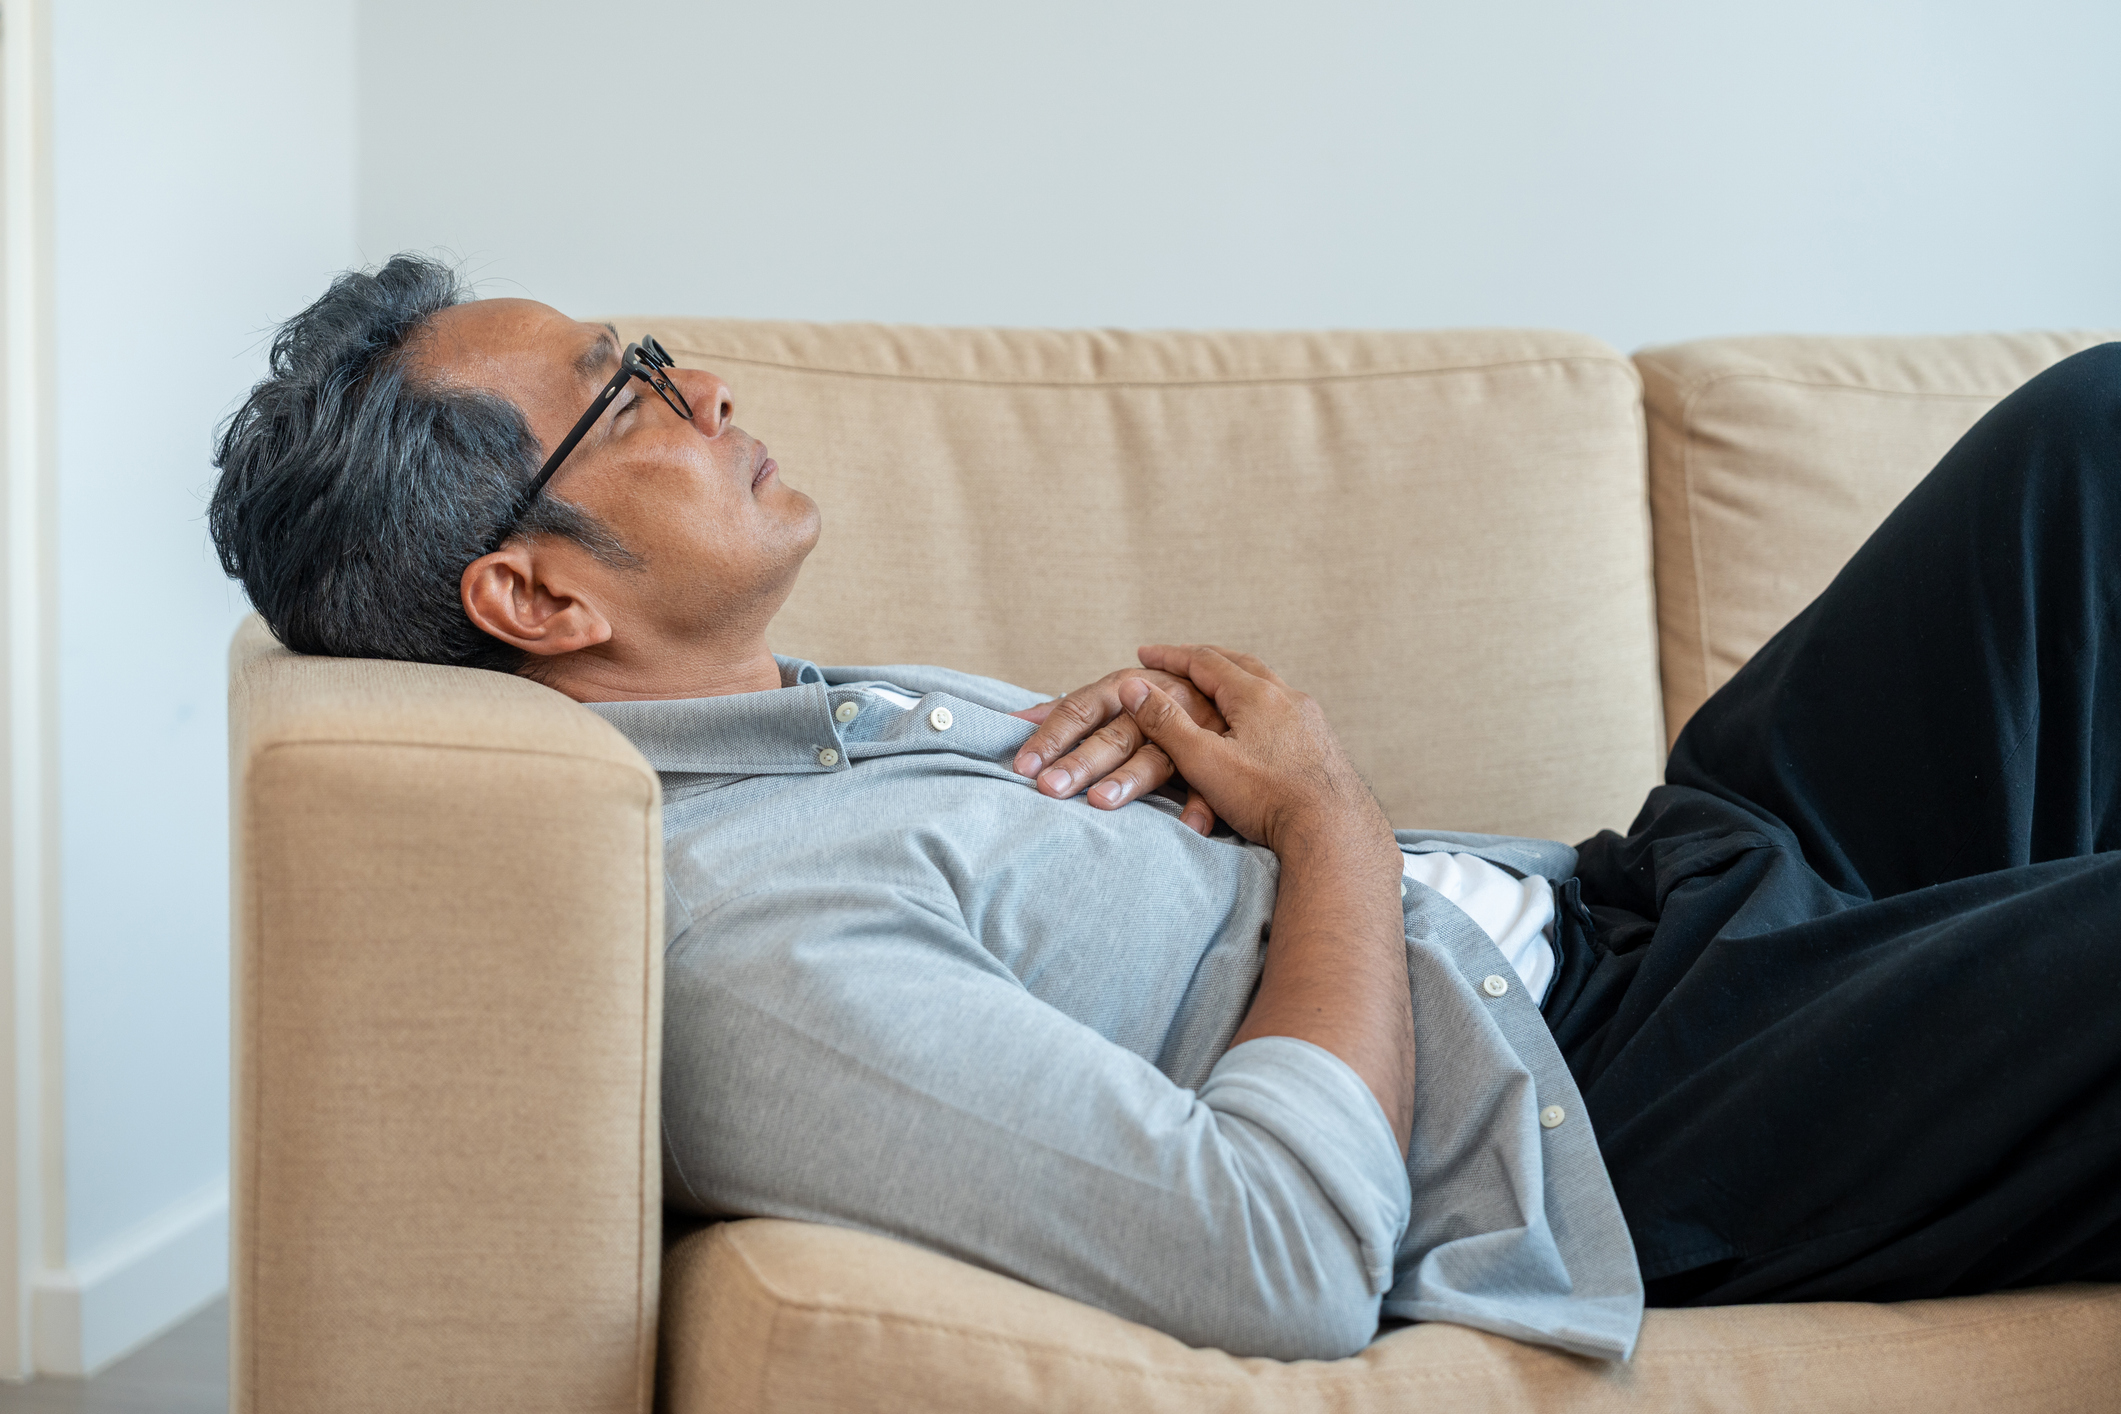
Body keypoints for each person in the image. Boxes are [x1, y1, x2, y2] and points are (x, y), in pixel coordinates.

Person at [207, 255, 2121, 1363]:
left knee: (2084, 440)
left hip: (1636, 891)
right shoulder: (747, 938)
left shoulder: (809, 723)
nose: (697, 381)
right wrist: (1329, 826)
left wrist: (1239, 798)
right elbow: (1272, 1252)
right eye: (623, 393)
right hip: (1616, 1089)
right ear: (538, 600)